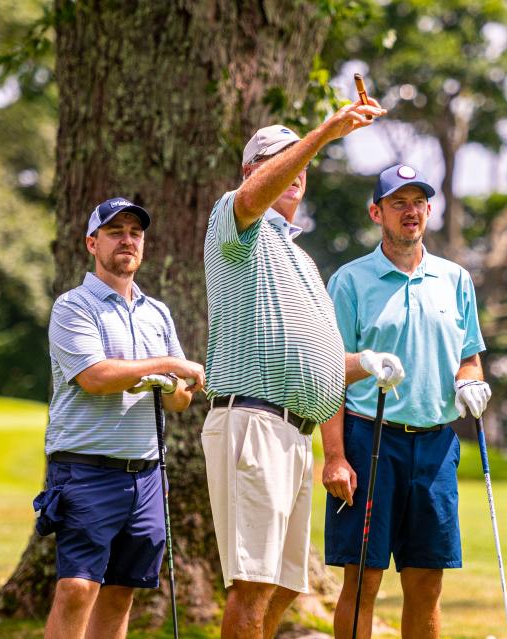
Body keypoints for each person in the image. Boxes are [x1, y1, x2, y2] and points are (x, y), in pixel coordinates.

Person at [201, 99, 387, 639]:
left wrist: (361, 364)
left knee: (285, 585)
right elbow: (252, 198)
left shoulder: (302, 258)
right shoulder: (234, 223)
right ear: (251, 170)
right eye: (281, 161)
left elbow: (319, 357)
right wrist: (326, 132)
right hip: (252, 421)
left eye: (301, 165)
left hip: (294, 433)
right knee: (252, 584)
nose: (296, 172)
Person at [321, 164, 493, 639]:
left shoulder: (455, 280)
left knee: (426, 582)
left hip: (436, 447)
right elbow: (331, 372)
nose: (410, 211)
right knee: (362, 580)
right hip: (368, 442)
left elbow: (470, 359)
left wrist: (470, 384)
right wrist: (334, 456)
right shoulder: (351, 281)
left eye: (418, 202)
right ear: (377, 212)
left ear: (429, 211)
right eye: (398, 203)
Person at [36, 197, 206, 639]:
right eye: (115, 232)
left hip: (147, 474)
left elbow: (179, 400)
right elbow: (94, 377)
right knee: (76, 587)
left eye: (135, 233)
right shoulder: (73, 306)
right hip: (86, 469)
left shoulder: (158, 312)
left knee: (121, 591)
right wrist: (164, 365)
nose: (127, 240)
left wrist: (175, 386)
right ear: (93, 243)